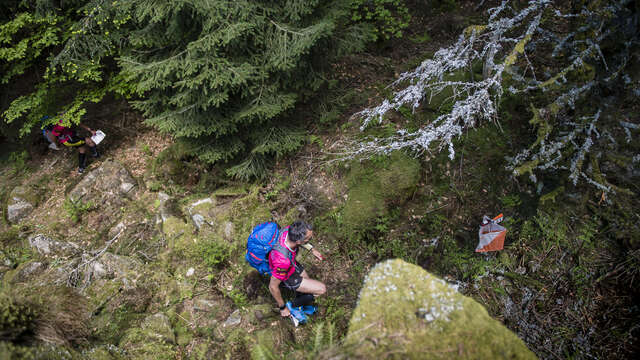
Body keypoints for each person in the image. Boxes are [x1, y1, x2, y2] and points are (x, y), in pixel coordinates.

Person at [268, 220, 326, 325]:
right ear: (298, 242)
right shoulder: (282, 260)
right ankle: (292, 306)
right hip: (287, 273)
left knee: (308, 284)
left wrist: (312, 250)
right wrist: (283, 308)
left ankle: (300, 305)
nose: (310, 239)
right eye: (308, 239)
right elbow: (272, 286)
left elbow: (302, 242)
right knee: (321, 289)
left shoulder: (289, 230)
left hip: (291, 263)